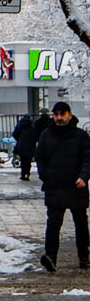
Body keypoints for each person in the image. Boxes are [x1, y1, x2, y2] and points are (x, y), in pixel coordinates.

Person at [34, 101, 90, 272]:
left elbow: (88, 159)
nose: (59, 117)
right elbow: (40, 157)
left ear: (69, 115)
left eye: (62, 114)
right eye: (56, 114)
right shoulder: (47, 134)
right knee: (53, 223)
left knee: (81, 223)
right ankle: (51, 257)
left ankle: (84, 256)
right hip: (54, 186)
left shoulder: (81, 136)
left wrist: (84, 177)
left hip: (76, 186)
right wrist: (45, 175)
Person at [14, 113, 40, 182]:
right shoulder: (32, 126)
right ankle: (27, 174)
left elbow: (15, 134)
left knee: (23, 160)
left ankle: (23, 174)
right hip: (30, 145)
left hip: (21, 144)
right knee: (28, 161)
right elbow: (36, 136)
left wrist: (19, 139)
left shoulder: (20, 125)